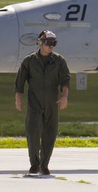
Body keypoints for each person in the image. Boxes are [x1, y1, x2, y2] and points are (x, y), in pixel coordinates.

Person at [14, 29, 70, 176]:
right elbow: (20, 81)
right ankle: (34, 164)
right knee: (32, 131)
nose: (50, 46)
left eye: (53, 43)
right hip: (34, 101)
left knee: (50, 133)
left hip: (52, 101)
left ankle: (44, 164)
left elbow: (65, 80)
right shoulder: (29, 61)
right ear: (40, 43)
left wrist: (64, 96)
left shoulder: (59, 61)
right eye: (48, 42)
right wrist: (18, 98)